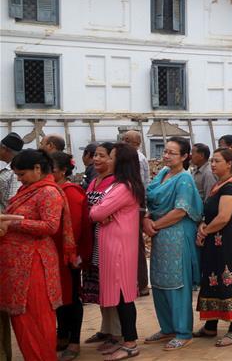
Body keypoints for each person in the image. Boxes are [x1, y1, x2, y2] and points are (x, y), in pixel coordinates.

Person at [0, 149, 73, 361]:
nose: (19, 179)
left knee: (35, 319)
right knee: (23, 321)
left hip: (34, 263)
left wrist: (13, 222)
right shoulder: (30, 188)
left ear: (38, 169)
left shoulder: (48, 192)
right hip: (19, 263)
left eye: (22, 174)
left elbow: (50, 226)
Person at [144, 137, 203, 350]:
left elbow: (180, 211)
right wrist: (146, 220)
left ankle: (183, 331)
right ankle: (167, 327)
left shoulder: (184, 179)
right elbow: (152, 202)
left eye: (172, 153)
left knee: (178, 283)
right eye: (165, 152)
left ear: (185, 156)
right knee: (159, 281)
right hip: (160, 234)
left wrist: (154, 225)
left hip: (177, 235)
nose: (166, 156)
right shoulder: (162, 174)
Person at [194, 148, 232, 347]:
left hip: (229, 244)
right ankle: (211, 325)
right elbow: (212, 215)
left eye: (217, 161)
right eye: (212, 161)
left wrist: (204, 231)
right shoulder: (219, 185)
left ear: (229, 164)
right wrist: (204, 225)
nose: (212, 164)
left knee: (228, 280)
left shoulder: (231, 187)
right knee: (213, 279)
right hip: (216, 243)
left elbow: (223, 217)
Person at [88, 143, 143, 361]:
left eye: (110, 157)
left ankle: (130, 343)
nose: (105, 160)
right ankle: (125, 340)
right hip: (114, 245)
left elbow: (96, 211)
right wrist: (100, 211)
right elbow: (98, 210)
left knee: (123, 296)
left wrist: (100, 211)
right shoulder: (121, 185)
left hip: (118, 247)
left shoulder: (124, 187)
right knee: (121, 296)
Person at [81, 143, 124, 354]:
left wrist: (94, 213)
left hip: (107, 241)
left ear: (112, 159)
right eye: (95, 155)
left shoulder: (115, 183)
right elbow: (92, 210)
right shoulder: (94, 181)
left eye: (102, 156)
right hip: (93, 240)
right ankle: (105, 328)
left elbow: (103, 212)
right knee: (99, 288)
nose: (96, 159)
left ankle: (117, 333)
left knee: (110, 287)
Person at [49, 152, 89, 361]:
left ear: (63, 170)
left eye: (52, 169)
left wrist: (73, 254)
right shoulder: (52, 190)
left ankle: (74, 341)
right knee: (59, 298)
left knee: (71, 298)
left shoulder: (70, 192)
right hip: (52, 254)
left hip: (68, 254)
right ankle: (62, 334)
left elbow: (73, 228)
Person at [122, 130, 150, 297]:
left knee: (136, 245)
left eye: (126, 139)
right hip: (136, 204)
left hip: (134, 205)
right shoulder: (137, 157)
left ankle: (141, 284)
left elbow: (135, 184)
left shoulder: (135, 158)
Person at [0, 132, 24, 212]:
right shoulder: (8, 169)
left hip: (7, 217)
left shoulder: (15, 172)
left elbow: (13, 201)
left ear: (5, 149)